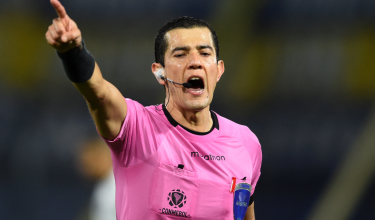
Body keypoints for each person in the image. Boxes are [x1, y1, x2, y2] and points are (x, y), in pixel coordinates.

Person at [45, 0, 262, 219]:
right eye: (180, 54)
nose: (195, 62)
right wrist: (73, 52)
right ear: (160, 73)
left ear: (218, 70)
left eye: (204, 53)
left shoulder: (246, 143)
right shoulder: (138, 129)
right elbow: (99, 93)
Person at [78, 137, 116, 220]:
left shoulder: (114, 189)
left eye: (87, 161)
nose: (83, 168)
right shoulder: (105, 185)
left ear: (100, 157)